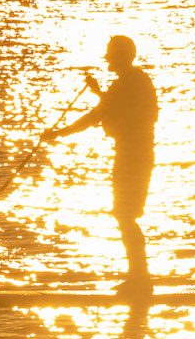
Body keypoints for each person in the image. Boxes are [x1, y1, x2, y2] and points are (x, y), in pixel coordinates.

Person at [43, 34, 158, 293]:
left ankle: (141, 280)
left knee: (125, 215)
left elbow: (101, 113)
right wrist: (98, 93)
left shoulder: (133, 82)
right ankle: (139, 278)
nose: (108, 59)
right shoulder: (131, 82)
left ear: (121, 57)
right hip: (130, 155)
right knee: (124, 215)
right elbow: (108, 109)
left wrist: (59, 133)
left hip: (134, 157)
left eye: (111, 54)